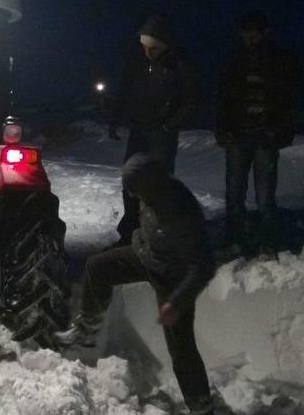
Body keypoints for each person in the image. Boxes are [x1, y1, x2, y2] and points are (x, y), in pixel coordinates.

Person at [56, 153, 217, 415]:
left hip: (172, 279)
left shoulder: (180, 211)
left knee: (181, 348)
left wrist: (176, 303)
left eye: (135, 190)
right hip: (147, 256)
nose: (133, 196)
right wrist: (136, 240)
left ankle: (201, 406)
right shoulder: (150, 192)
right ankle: (87, 329)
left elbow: (203, 266)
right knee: (98, 267)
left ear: (150, 183)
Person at [108, 14, 202, 246]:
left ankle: (157, 238)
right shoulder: (138, 62)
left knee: (158, 186)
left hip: (162, 135)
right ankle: (130, 235)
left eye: (153, 48)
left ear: (165, 45)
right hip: (139, 130)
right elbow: (125, 92)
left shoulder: (180, 65)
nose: (148, 52)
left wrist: (169, 125)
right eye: (145, 47)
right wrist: (116, 119)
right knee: (131, 181)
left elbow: (193, 100)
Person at [216, 11, 303, 256]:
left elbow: (289, 100)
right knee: (234, 192)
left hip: (266, 135)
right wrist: (223, 129)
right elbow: (223, 98)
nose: (249, 39)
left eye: (253, 34)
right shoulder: (235, 60)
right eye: (245, 34)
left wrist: (277, 130)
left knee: (265, 194)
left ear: (265, 33)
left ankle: (268, 242)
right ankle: (235, 239)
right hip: (238, 135)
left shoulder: (280, 61)